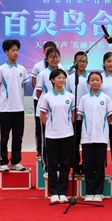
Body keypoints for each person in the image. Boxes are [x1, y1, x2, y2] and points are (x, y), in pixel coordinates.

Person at [38, 69, 76, 203]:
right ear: (52, 80)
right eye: (59, 78)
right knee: (52, 164)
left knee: (65, 164)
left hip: (67, 134)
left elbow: (73, 114)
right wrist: (51, 126)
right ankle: (54, 192)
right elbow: (42, 116)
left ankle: (63, 192)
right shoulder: (47, 97)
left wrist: (67, 125)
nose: (62, 80)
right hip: (52, 135)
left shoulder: (70, 96)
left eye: (63, 78)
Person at [0, 39, 30, 172]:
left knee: (18, 137)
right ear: (6, 52)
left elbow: (24, 86)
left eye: (17, 50)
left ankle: (16, 161)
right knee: (4, 137)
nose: (16, 53)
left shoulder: (22, 69)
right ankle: (3, 162)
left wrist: (17, 99)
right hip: (5, 110)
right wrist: (4, 100)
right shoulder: (1, 69)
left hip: (18, 108)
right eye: (13, 50)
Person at [77, 72, 112, 202]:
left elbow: (110, 116)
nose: (95, 82)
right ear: (88, 82)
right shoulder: (84, 99)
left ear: (101, 82)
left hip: (101, 136)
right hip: (87, 137)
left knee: (99, 165)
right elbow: (81, 116)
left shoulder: (106, 98)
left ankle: (98, 192)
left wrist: (102, 128)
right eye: (92, 80)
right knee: (88, 165)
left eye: (97, 80)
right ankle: (89, 191)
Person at [30, 41, 60, 168]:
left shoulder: (62, 70)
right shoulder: (42, 73)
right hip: (45, 110)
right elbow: (38, 92)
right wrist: (45, 104)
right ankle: (46, 166)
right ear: (46, 58)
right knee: (45, 137)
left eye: (56, 56)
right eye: (51, 57)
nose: (54, 59)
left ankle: (57, 163)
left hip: (58, 110)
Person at [66, 51, 90, 175]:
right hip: (74, 115)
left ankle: (86, 165)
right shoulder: (70, 78)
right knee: (74, 142)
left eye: (84, 61)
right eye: (79, 61)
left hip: (88, 116)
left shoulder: (91, 77)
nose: (81, 63)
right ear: (74, 62)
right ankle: (75, 166)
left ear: (87, 63)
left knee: (87, 141)